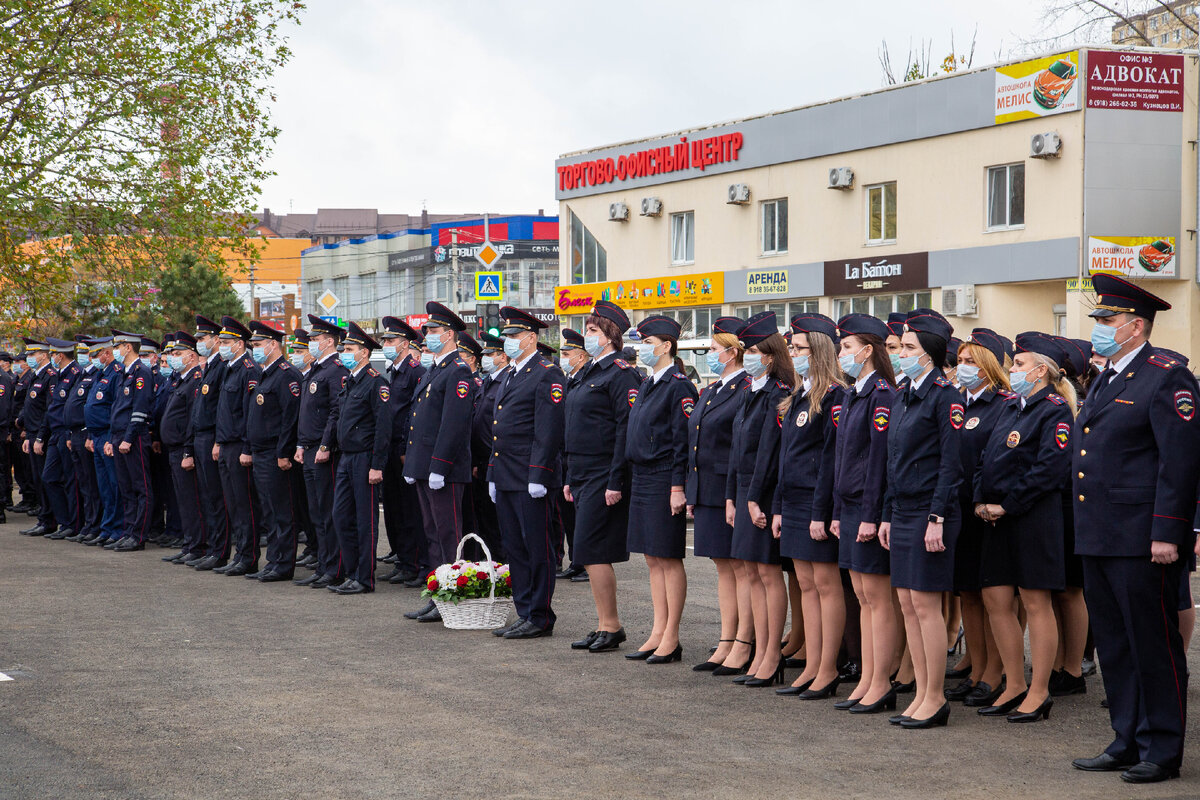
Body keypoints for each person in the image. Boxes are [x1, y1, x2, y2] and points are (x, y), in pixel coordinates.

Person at [1070, 274, 1200, 784]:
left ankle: (1162, 747)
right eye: (1098, 319)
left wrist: (1169, 531)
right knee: (1116, 643)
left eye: (1107, 320)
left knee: (1153, 644)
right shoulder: (1106, 375)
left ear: (1136, 325)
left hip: (1143, 537)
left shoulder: (1166, 376)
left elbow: (1180, 463)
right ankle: (1126, 738)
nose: (1099, 328)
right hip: (1101, 532)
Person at [973, 332, 1075, 723]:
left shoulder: (1053, 409)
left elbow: (1049, 468)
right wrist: (981, 500)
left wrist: (1007, 505)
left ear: (1041, 370)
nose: (1012, 370)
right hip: (994, 519)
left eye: (1018, 364)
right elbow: (986, 457)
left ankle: (1039, 690)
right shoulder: (1011, 407)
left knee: (1035, 602)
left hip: (1032, 520)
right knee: (996, 600)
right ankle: (1013, 683)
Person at [879, 309, 963, 728]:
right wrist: (887, 515)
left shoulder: (945, 396)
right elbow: (893, 460)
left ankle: (935, 696)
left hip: (931, 512)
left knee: (927, 606)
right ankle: (920, 694)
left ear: (929, 354)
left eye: (909, 348)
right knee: (908, 604)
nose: (901, 354)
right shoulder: (905, 393)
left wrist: (937, 517)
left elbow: (951, 464)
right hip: (904, 509)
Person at [773, 313, 846, 698]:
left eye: (800, 348)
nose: (794, 354)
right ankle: (812, 664)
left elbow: (830, 462)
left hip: (817, 503)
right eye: (792, 348)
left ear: (817, 352)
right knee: (805, 584)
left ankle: (827, 667)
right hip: (796, 501)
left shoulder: (834, 396)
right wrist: (780, 506)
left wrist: (821, 513)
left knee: (825, 584)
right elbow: (787, 459)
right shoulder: (798, 396)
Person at [562, 302, 641, 652]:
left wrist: (615, 479)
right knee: (587, 549)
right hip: (581, 471)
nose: (587, 336)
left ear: (610, 336)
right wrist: (568, 476)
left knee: (592, 549)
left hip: (602, 471)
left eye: (593, 331)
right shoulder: (589, 371)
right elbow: (573, 427)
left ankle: (612, 625)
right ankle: (603, 623)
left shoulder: (620, 373)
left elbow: (624, 429)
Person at [830, 314, 898, 712]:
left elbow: (877, 462)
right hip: (852, 506)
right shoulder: (854, 392)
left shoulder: (881, 394)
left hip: (868, 507)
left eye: (848, 348)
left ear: (868, 351)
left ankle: (879, 683)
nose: (842, 355)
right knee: (862, 596)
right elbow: (843, 458)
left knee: (876, 598)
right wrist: (840, 510)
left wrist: (872, 515)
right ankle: (868, 680)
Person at [723, 311, 795, 687]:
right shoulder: (751, 390)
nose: (746, 355)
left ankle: (770, 654)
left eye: (752, 350)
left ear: (769, 355)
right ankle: (758, 649)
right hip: (744, 491)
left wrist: (752, 499)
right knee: (750, 572)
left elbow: (768, 452)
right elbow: (738, 451)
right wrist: (732, 497)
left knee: (767, 575)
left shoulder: (777, 393)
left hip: (763, 494)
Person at [487, 307, 566, 640]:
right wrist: (492, 473)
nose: (507, 342)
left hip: (530, 476)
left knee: (537, 546)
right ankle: (523, 610)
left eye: (513, 336)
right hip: (505, 473)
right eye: (505, 336)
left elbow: (548, 430)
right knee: (514, 546)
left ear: (532, 338)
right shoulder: (511, 373)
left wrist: (539, 473)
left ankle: (540, 614)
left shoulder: (547, 373)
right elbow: (497, 428)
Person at [623, 315, 698, 663]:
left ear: (666, 346)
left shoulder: (678, 385)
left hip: (665, 475)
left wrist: (677, 486)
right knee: (652, 558)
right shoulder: (648, 381)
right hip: (642, 475)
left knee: (668, 556)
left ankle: (672, 635)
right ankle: (657, 629)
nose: (642, 349)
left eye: (648, 343)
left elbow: (683, 441)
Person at [944, 329, 1012, 708]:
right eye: (961, 361)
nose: (963, 367)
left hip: (987, 513)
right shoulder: (957, 402)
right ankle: (977, 669)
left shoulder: (1002, 403)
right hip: (959, 511)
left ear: (988, 365)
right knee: (968, 593)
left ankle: (996, 674)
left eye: (971, 361)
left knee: (993, 599)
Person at [403, 302, 475, 621]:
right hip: (425, 467)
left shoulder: (458, 370)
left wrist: (439, 466)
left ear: (448, 334)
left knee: (449, 535)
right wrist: (414, 466)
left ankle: (454, 599)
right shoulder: (436, 369)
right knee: (433, 534)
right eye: (427, 331)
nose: (427, 336)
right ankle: (439, 596)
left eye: (432, 331)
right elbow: (421, 420)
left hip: (442, 470)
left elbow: (453, 425)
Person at [688, 317, 749, 673]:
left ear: (732, 351)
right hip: (709, 486)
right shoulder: (712, 389)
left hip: (730, 487)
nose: (709, 355)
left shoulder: (744, 387)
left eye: (713, 349)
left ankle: (744, 640)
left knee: (739, 567)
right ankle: (728, 638)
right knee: (722, 566)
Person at [323, 321, 391, 594]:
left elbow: (383, 428)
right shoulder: (349, 382)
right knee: (341, 516)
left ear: (364, 352)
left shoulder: (376, 383)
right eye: (343, 349)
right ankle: (352, 573)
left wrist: (377, 465)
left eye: (349, 349)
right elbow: (339, 416)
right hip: (346, 458)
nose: (344, 354)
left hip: (364, 459)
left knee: (365, 521)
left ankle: (364, 578)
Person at [293, 315, 349, 588]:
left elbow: (335, 413)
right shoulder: (316, 370)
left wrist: (325, 445)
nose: (310, 344)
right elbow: (309, 414)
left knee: (329, 511)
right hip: (310, 448)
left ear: (329, 342)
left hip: (324, 451)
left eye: (314, 340)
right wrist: (301, 445)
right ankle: (324, 564)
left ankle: (335, 567)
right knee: (316, 512)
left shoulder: (336, 370)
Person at [244, 321, 302, 582]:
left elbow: (290, 418)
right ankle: (273, 560)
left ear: (273, 345)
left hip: (275, 454)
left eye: (257, 345)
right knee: (268, 510)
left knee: (282, 511)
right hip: (261, 453)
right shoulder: (265, 372)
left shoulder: (286, 374)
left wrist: (284, 452)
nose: (254, 350)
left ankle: (283, 564)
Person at [377, 316, 426, 585]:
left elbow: (413, 414)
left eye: (391, 340)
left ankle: (416, 563)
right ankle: (404, 560)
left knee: (410, 510)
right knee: (394, 509)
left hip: (405, 448)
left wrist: (408, 446)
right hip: (391, 447)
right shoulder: (395, 371)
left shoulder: (415, 371)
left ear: (405, 343)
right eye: (385, 340)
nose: (387, 344)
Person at [212, 316, 262, 576]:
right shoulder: (229, 368)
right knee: (232, 504)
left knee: (245, 505)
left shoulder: (249, 369)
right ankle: (239, 554)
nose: (221, 345)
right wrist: (219, 442)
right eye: (220, 341)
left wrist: (246, 447)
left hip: (240, 446)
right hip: (226, 445)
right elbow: (224, 412)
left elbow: (248, 414)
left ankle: (249, 556)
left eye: (226, 341)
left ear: (240, 344)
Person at [183, 316, 231, 572]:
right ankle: (213, 548)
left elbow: (220, 410)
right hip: (201, 438)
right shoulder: (208, 367)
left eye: (203, 339)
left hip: (212, 437)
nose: (200, 343)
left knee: (216, 497)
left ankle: (220, 551)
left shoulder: (221, 366)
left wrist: (218, 440)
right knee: (207, 497)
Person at [104, 329, 155, 551]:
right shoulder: (123, 373)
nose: (116, 350)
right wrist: (112, 438)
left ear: (129, 347)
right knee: (126, 488)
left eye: (118, 346)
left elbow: (140, 409)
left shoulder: (141, 372)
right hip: (118, 436)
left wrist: (128, 438)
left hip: (132, 438)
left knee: (141, 488)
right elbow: (117, 408)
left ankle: (139, 535)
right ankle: (129, 531)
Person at [159, 333, 207, 564]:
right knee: (183, 501)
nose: (172, 358)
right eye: (171, 354)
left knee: (192, 500)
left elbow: (192, 419)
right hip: (174, 448)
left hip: (185, 449)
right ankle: (189, 544)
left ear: (191, 356)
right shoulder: (182, 379)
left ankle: (198, 546)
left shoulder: (196, 379)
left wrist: (188, 451)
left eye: (177, 354)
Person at [555, 328, 591, 582]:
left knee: (582, 514)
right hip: (566, 456)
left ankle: (586, 563)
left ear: (581, 356)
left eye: (567, 354)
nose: (563, 359)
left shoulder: (587, 379)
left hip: (584, 457)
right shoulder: (570, 380)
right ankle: (576, 560)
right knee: (569, 513)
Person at [469, 332, 508, 565]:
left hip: (498, 461)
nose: (485, 358)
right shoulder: (488, 380)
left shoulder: (505, 381)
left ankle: (503, 567)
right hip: (483, 462)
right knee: (486, 520)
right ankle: (492, 565)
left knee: (498, 522)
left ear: (502, 356)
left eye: (490, 354)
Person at [81, 338, 123, 546]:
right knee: (104, 486)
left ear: (106, 353)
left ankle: (118, 529)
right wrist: (90, 435)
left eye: (96, 355)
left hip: (108, 435)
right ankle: (107, 528)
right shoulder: (101, 373)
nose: (93, 359)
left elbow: (116, 408)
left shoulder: (116, 373)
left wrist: (113, 437)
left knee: (115, 484)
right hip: (96, 436)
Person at [41, 338, 81, 538]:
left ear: (60, 355)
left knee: (70, 480)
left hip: (66, 432)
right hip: (55, 433)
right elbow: (52, 407)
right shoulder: (59, 375)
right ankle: (64, 521)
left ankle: (73, 525)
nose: (51, 358)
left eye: (53, 354)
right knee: (49, 477)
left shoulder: (75, 374)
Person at [17, 338, 57, 536]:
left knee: (46, 478)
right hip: (32, 434)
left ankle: (49, 519)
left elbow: (49, 410)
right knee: (37, 478)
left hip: (43, 436)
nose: (29, 358)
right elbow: (30, 407)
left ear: (44, 355)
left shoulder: (50, 376)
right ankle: (43, 517)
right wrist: (27, 434)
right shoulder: (36, 376)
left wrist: (40, 437)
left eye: (33, 354)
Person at [63, 339, 100, 542]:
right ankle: (88, 524)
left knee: (92, 484)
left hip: (87, 434)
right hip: (75, 434)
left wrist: (87, 433)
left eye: (87, 353)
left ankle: (94, 525)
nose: (83, 356)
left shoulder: (95, 375)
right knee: (84, 483)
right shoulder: (82, 375)